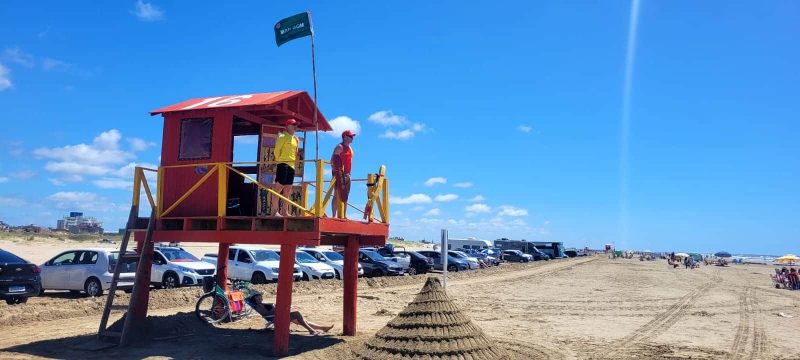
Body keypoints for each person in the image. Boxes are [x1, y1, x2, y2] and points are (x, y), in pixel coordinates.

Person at [248, 292, 333, 335]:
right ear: (254, 299)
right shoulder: (259, 306)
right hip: (276, 318)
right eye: (257, 297)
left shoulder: (264, 304)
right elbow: (267, 315)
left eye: (259, 296)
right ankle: (311, 331)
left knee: (302, 320)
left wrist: (280, 308)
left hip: (279, 315)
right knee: (296, 314)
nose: (259, 297)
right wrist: (276, 308)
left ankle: (322, 328)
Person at [272, 119, 300, 217]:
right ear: (287, 126)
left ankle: (285, 211)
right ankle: (275, 211)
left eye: (296, 125)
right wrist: (280, 160)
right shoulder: (282, 136)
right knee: (278, 187)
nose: (295, 126)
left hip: (292, 165)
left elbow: (296, 152)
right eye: (293, 124)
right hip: (283, 164)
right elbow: (276, 150)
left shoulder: (296, 139)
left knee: (288, 189)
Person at [330, 130, 355, 218]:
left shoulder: (350, 149)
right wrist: (336, 173)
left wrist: (349, 174)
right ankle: (334, 215)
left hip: (347, 174)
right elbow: (333, 161)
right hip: (339, 173)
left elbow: (350, 162)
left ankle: (343, 215)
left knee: (345, 195)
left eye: (352, 136)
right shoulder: (340, 147)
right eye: (350, 136)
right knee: (337, 194)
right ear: (345, 137)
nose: (352, 138)